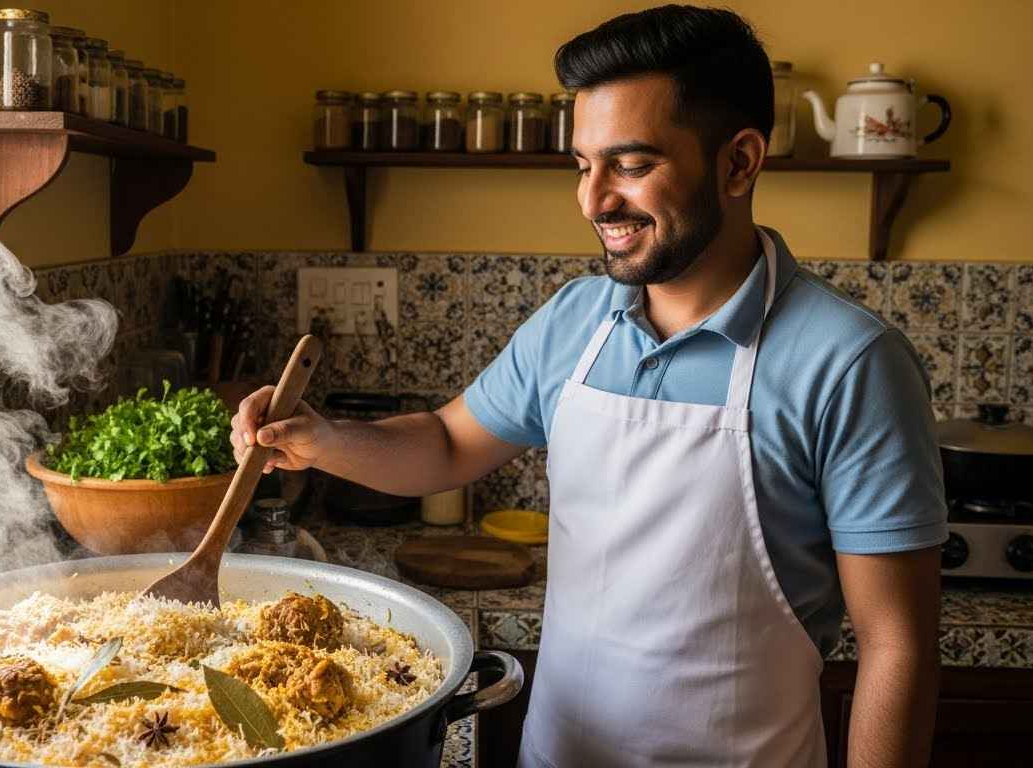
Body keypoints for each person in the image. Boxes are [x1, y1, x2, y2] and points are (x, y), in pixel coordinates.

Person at [232, 5, 945, 766]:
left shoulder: (848, 362)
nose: (593, 200)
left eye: (631, 166)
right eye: (583, 164)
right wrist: (319, 440)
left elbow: (895, 644)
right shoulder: (576, 319)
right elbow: (444, 445)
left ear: (738, 162)